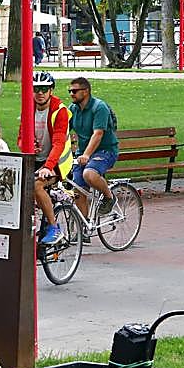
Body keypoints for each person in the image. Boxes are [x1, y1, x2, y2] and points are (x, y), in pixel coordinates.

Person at [23, 71, 74, 244]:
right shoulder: (28, 107)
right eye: (36, 89)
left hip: (57, 162)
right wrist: (28, 145)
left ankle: (54, 228)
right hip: (37, 159)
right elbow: (21, 137)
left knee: (37, 186)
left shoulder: (59, 111)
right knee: (20, 186)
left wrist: (48, 166)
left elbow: (59, 143)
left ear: (51, 90)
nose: (40, 93)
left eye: (44, 89)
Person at [67, 77, 118, 220]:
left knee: (89, 174)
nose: (71, 94)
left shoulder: (99, 107)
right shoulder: (73, 109)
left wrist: (87, 155)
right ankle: (83, 227)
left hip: (105, 151)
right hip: (82, 153)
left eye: (75, 91)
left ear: (86, 91)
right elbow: (63, 131)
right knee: (78, 189)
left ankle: (109, 197)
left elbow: (98, 133)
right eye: (70, 91)